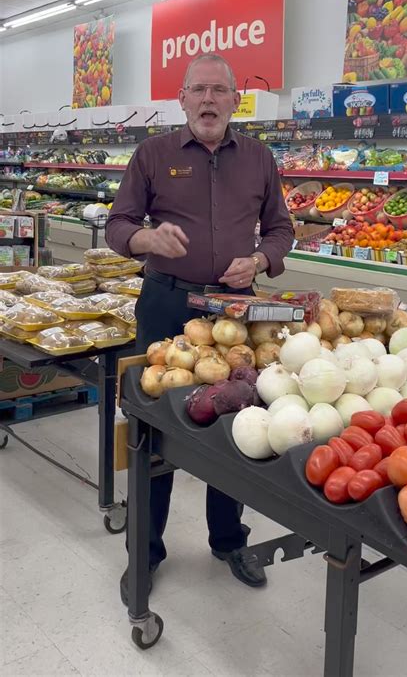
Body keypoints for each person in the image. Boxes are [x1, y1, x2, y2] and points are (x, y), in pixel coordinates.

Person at [106, 53, 294, 606]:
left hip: (235, 312)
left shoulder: (259, 158)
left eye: (219, 91)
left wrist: (259, 261)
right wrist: (146, 240)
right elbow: (119, 223)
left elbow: (281, 230)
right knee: (152, 424)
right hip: (166, 306)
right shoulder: (153, 154)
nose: (209, 100)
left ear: (236, 100)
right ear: (182, 98)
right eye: (199, 90)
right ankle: (146, 552)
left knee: (236, 426)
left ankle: (229, 539)